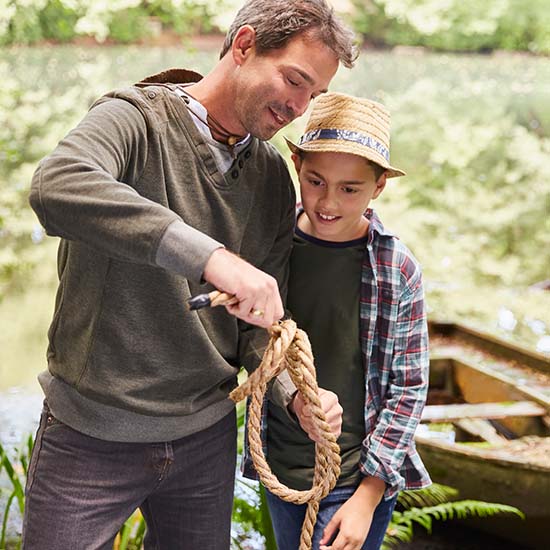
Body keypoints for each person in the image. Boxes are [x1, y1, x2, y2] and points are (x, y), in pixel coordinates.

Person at [22, 2, 358, 548]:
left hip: (205, 438)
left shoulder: (273, 176)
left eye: (313, 95)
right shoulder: (134, 118)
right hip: (90, 434)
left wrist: (296, 393)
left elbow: (262, 324)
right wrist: (211, 258)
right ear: (244, 45)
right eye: (294, 80)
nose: (299, 107)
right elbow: (56, 185)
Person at [249, 92, 432, 549]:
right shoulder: (271, 249)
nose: (328, 201)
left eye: (350, 188)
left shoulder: (395, 269)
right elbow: (254, 345)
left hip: (355, 475)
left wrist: (367, 498)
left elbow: (408, 388)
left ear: (378, 187)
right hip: (282, 468)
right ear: (296, 167)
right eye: (315, 181)